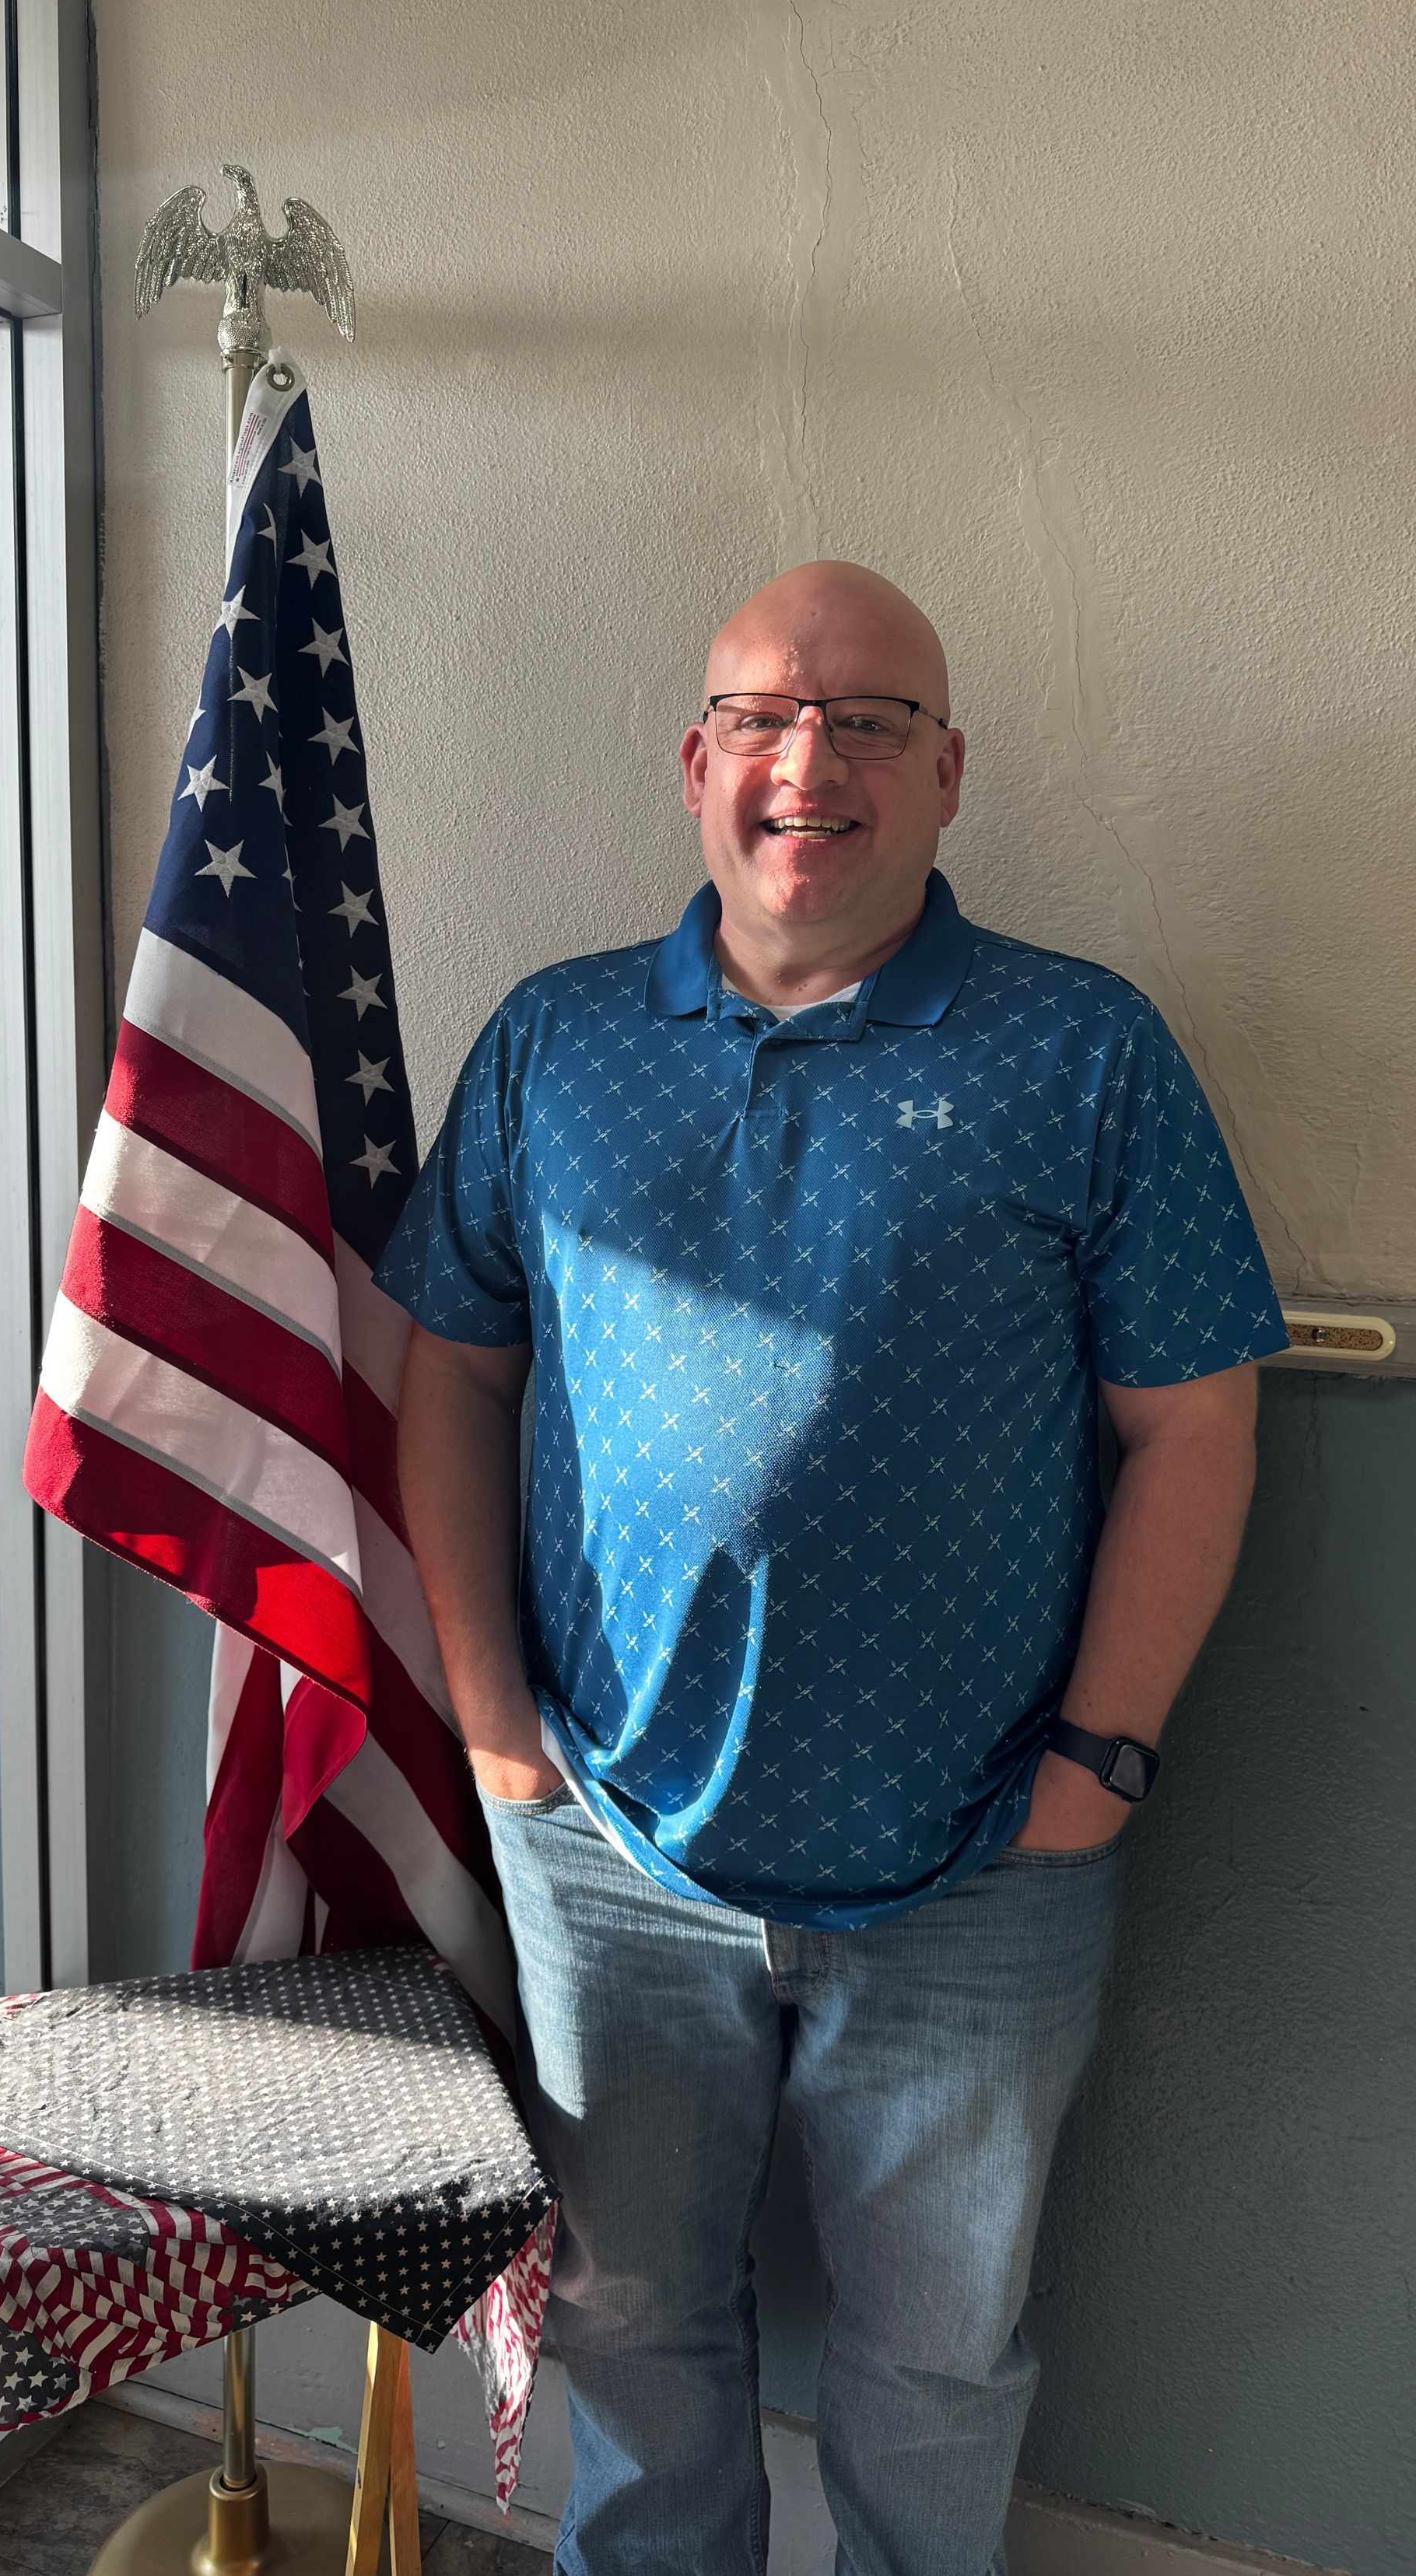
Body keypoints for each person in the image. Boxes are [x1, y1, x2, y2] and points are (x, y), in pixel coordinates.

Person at [378, 561, 1289, 2576]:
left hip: (984, 1866)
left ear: (947, 774)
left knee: (939, 2354)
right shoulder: (555, 1043)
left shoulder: (1087, 1052)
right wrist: (496, 1725)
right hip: (613, 1850)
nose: (817, 758)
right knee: (629, 2317)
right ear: (698, 764)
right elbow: (452, 1373)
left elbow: (1195, 1424)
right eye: (772, 716)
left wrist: (1098, 1766)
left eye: (874, 718)